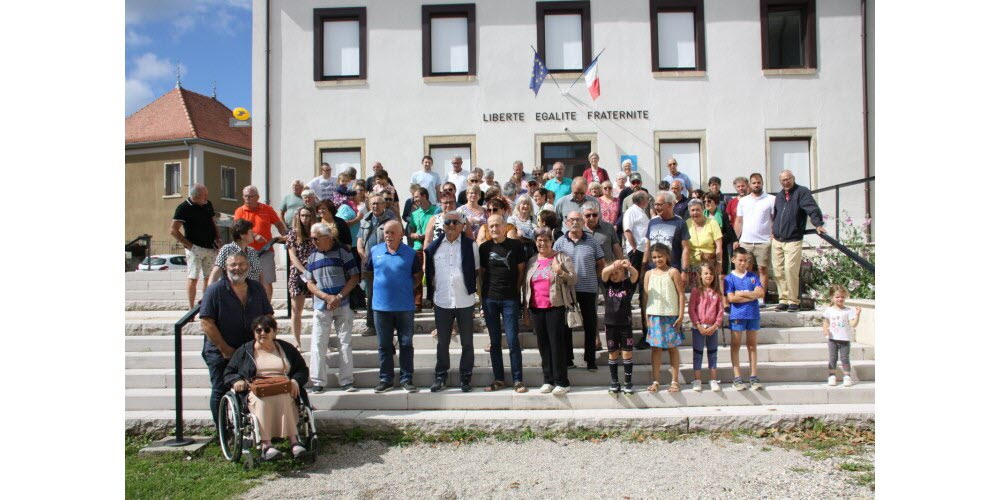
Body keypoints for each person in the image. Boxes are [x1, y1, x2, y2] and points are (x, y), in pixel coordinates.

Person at [200, 251, 274, 425]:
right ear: (226, 268)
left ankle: (248, 428)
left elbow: (267, 316)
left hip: (248, 350)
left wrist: (265, 341)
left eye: (241, 264)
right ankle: (223, 432)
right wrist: (225, 349)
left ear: (248, 267)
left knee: (249, 388)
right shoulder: (215, 290)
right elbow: (206, 323)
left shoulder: (256, 288)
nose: (237, 268)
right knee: (220, 389)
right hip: (219, 352)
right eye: (233, 265)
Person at [223, 315, 309, 460]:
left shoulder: (286, 348)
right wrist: (236, 380)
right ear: (254, 333)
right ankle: (266, 445)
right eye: (258, 330)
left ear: (274, 332)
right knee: (261, 401)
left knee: (285, 397)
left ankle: (294, 441)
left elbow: (302, 369)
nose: (262, 333)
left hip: (284, 386)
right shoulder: (244, 351)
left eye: (267, 330)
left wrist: (295, 381)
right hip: (256, 389)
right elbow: (228, 372)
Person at [425, 210, 480, 392]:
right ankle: (441, 376)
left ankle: (466, 377)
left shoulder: (471, 246)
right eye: (448, 222)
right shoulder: (434, 247)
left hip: (465, 300)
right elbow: (430, 274)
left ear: (462, 226)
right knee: (442, 343)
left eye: (455, 223)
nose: (451, 225)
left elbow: (477, 271)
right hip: (442, 301)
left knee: (467, 342)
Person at [304, 222, 361, 393]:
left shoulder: (343, 252)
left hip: (342, 304)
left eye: (315, 238)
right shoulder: (312, 256)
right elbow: (309, 282)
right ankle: (318, 381)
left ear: (327, 237)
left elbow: (354, 277)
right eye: (311, 238)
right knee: (318, 343)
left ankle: (347, 381)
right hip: (321, 305)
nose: (313, 241)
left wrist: (339, 297)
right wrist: (326, 297)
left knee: (345, 343)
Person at [366, 220, 422, 393]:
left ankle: (406, 378)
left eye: (392, 232)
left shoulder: (411, 253)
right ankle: (386, 379)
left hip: (404, 307)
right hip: (381, 307)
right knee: (384, 345)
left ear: (401, 235)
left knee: (406, 344)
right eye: (386, 232)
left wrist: (404, 288)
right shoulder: (375, 251)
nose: (388, 236)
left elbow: (418, 276)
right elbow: (368, 272)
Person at [524, 228, 576, 395]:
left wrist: (560, 271)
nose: (542, 243)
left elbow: (574, 279)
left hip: (555, 307)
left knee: (556, 345)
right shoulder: (532, 261)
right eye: (539, 240)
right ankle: (548, 380)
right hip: (536, 308)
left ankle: (562, 381)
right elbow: (526, 286)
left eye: (546, 240)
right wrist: (526, 309)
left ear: (551, 242)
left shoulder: (561, 257)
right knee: (543, 346)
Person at [479, 214, 528, 392]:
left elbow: (521, 271)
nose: (494, 229)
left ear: (504, 226)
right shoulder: (484, 248)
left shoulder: (516, 245)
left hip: (510, 299)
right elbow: (483, 274)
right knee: (494, 341)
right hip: (490, 298)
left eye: (497, 225)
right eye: (490, 226)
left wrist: (515, 292)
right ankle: (499, 379)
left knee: (513, 340)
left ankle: (518, 379)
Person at [554, 211, 606, 371]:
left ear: (583, 222)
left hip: (588, 289)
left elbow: (601, 263)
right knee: (566, 325)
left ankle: (590, 359)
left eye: (578, 219)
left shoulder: (592, 242)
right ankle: (568, 359)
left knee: (590, 325)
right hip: (567, 290)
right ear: (566, 222)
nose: (575, 222)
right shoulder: (560, 242)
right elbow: (553, 263)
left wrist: (594, 279)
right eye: (571, 220)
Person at [772, 169, 826, 312]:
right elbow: (776, 215)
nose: (785, 182)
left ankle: (793, 301)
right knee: (778, 271)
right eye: (783, 180)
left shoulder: (802, 192)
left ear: (793, 178)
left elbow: (812, 209)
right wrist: (773, 231)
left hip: (793, 239)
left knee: (790, 270)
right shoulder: (779, 196)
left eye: (788, 179)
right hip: (777, 239)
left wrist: (818, 224)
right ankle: (783, 299)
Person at [643, 243, 685, 393]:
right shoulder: (649, 274)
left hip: (671, 315)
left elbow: (681, 294)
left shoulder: (673, 272)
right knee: (656, 349)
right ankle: (656, 381)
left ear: (667, 256)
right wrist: (645, 316)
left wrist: (681, 315)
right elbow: (646, 296)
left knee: (673, 348)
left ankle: (675, 381)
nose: (657, 259)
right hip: (654, 315)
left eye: (660, 256)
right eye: (654, 257)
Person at [170, 183, 221, 309]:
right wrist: (190, 246)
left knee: (209, 278)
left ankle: (206, 306)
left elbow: (212, 222)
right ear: (197, 196)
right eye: (204, 195)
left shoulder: (207, 204)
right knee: (193, 278)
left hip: (210, 247)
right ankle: (191, 308)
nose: (206, 197)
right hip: (194, 249)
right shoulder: (183, 208)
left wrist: (218, 237)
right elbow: (173, 230)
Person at [234, 185, 287, 301]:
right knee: (246, 281)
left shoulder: (267, 209)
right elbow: (238, 229)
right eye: (245, 196)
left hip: (266, 251)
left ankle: (267, 310)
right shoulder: (239, 211)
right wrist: (254, 235)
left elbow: (278, 224)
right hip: (246, 253)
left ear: (257, 197)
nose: (247, 198)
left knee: (266, 281)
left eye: (250, 196)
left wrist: (284, 235)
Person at [725, 247, 765, 391]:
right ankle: (737, 377)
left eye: (745, 261)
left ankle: (753, 376)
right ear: (733, 260)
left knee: (752, 345)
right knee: (736, 345)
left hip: (753, 314)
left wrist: (742, 293)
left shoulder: (753, 276)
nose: (743, 263)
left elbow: (760, 293)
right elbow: (731, 298)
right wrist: (751, 294)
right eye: (740, 260)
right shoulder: (729, 278)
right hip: (737, 315)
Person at [358, 193, 398, 335]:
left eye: (378, 203)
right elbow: (360, 243)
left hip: (387, 265)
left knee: (389, 293)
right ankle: (371, 325)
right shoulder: (365, 220)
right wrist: (366, 259)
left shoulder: (391, 219)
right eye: (373, 203)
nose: (375, 206)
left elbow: (396, 241)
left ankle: (390, 325)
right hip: (370, 265)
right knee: (371, 296)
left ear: (384, 205)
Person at [734, 173, 776, 307]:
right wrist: (736, 238)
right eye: (754, 183)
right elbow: (739, 221)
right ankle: (748, 295)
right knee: (746, 269)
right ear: (750, 185)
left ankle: (760, 298)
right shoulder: (743, 201)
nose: (756, 185)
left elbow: (775, 219)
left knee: (763, 269)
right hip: (746, 241)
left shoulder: (771, 199)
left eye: (758, 182)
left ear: (762, 183)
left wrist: (773, 235)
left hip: (763, 241)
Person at [601, 258, 639, 394]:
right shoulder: (607, 285)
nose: (614, 275)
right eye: (612, 273)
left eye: (617, 272)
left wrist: (627, 266)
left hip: (625, 325)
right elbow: (604, 273)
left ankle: (628, 383)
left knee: (627, 352)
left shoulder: (627, 285)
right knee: (613, 354)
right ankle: (614, 382)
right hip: (610, 325)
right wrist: (613, 266)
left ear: (623, 273)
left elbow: (635, 275)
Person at [688, 263, 724, 392]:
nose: (708, 276)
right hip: (698, 328)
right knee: (698, 354)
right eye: (706, 273)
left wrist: (715, 325)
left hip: (712, 328)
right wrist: (697, 324)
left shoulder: (717, 292)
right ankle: (697, 380)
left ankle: (713, 379)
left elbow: (720, 311)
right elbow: (691, 309)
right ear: (700, 275)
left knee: (712, 353)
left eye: (711, 273)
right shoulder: (696, 291)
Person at [285, 206, 317, 349]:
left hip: (314, 272)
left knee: (319, 309)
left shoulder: (315, 232)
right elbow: (292, 256)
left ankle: (319, 339)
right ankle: (297, 341)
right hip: (298, 273)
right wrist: (304, 271)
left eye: (308, 215)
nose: (305, 218)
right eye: (303, 215)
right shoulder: (293, 234)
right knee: (297, 310)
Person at [407, 187, 439, 309]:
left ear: (424, 196)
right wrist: (414, 235)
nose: (414, 199)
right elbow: (410, 231)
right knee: (417, 274)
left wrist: (427, 236)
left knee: (433, 273)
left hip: (433, 246)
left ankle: (433, 300)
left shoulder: (435, 211)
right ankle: (417, 303)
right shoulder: (415, 213)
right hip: (418, 247)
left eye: (416, 197)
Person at [824, 285, 861, 387]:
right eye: (837, 297)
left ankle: (847, 376)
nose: (840, 299)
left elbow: (853, 324)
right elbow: (826, 321)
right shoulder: (829, 310)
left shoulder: (848, 311)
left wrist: (857, 315)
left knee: (845, 358)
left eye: (842, 297)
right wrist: (825, 331)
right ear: (832, 297)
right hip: (832, 339)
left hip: (844, 339)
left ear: (845, 297)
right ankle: (832, 376)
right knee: (833, 357)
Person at [209, 219, 262, 284]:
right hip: (232, 291)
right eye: (251, 231)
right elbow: (216, 272)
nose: (253, 234)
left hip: (252, 291)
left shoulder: (252, 251)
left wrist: (264, 292)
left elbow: (260, 275)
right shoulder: (227, 249)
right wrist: (210, 291)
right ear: (242, 235)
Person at [684, 199, 723, 287]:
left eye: (698, 210)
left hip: (709, 264)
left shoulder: (713, 223)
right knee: (695, 292)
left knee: (710, 291)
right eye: (692, 210)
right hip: (692, 265)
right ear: (689, 212)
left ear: (703, 209)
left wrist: (719, 263)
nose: (695, 213)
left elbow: (719, 246)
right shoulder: (687, 223)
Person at [704, 191, 737, 278]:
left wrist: (718, 240)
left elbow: (729, 232)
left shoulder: (722, 215)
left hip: (720, 248)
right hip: (706, 249)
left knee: (721, 274)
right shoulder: (702, 216)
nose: (706, 203)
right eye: (704, 202)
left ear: (716, 202)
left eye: (709, 201)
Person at [508, 194, 538, 259]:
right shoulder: (512, 219)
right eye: (523, 204)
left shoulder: (533, 218)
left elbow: (536, 234)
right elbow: (512, 237)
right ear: (518, 205)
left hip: (531, 251)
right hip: (516, 250)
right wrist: (529, 237)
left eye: (528, 204)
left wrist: (522, 237)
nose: (526, 206)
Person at [337, 180, 367, 244]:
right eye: (357, 193)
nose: (359, 194)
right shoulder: (345, 207)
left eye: (361, 191)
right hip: (349, 243)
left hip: (358, 242)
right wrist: (357, 219)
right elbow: (341, 224)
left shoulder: (358, 205)